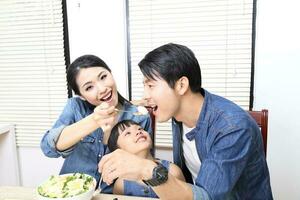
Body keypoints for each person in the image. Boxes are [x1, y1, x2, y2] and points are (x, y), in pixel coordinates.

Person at [98, 43, 273, 200]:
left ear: (181, 85)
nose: (145, 95)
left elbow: (205, 197)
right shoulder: (179, 115)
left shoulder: (232, 128)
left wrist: (145, 169)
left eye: (150, 86)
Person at [40, 55, 152, 192]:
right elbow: (48, 148)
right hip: (73, 192)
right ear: (81, 95)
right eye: (89, 87)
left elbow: (145, 164)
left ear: (110, 73)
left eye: (103, 77)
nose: (102, 88)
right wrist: (93, 121)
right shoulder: (76, 108)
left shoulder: (139, 117)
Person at [106, 119, 185, 198]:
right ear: (119, 152)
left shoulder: (173, 171)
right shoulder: (121, 185)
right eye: (128, 133)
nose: (138, 132)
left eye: (140, 129)